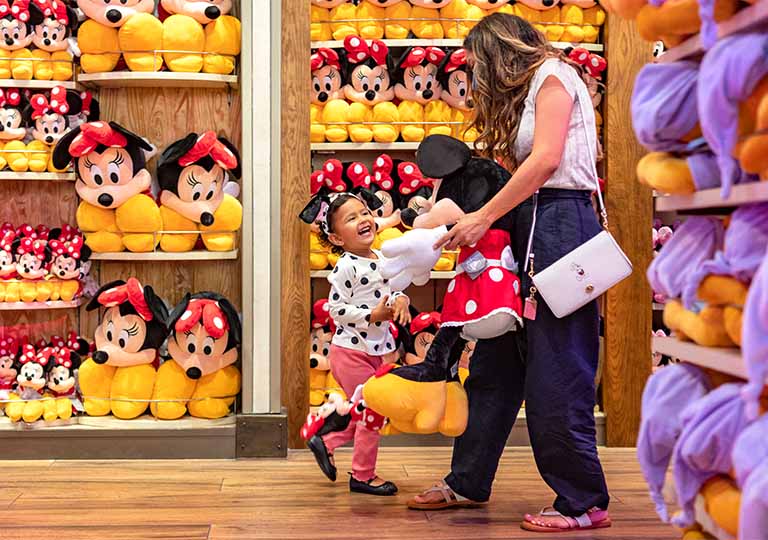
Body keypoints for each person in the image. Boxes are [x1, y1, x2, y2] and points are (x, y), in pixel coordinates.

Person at [407, 14, 612, 532]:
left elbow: (545, 161)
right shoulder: (538, 86)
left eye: (478, 64)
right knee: (495, 360)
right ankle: (467, 480)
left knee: (557, 364)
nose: (476, 77)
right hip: (533, 221)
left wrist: (483, 216)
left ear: (499, 51)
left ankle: (584, 501)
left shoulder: (555, 77)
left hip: (558, 224)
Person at [306, 193, 412, 496]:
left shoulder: (382, 258)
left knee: (368, 408)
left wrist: (400, 300)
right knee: (372, 410)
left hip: (379, 350)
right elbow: (335, 309)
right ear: (338, 238)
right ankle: (363, 476)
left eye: (364, 212)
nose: (363, 219)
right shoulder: (345, 267)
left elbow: (395, 289)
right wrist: (372, 315)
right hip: (351, 352)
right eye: (351, 218)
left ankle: (326, 440)